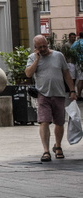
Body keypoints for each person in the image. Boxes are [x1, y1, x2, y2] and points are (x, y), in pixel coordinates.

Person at [25, 34, 76, 162]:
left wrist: (72, 90)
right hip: (43, 94)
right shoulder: (32, 58)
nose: (43, 49)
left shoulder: (58, 56)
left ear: (48, 44)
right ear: (35, 47)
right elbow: (28, 74)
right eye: (40, 47)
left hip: (58, 94)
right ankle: (46, 151)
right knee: (44, 121)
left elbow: (66, 73)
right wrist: (37, 59)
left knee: (59, 122)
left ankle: (58, 146)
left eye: (44, 46)